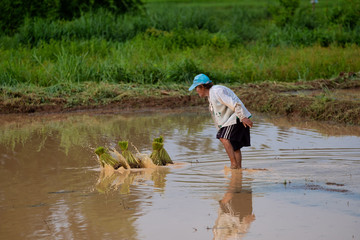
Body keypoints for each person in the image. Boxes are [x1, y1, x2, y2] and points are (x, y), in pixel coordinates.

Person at [189, 74, 253, 169]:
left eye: (196, 88)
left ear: (202, 87)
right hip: (231, 119)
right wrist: (220, 128)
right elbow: (217, 116)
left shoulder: (217, 91)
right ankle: (238, 169)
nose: (196, 91)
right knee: (234, 145)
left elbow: (234, 103)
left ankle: (233, 165)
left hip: (236, 117)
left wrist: (242, 117)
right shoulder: (211, 95)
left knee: (223, 138)